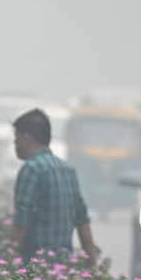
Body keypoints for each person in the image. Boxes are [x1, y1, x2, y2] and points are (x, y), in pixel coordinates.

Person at [12, 108, 98, 266]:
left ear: (26, 138)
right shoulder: (67, 169)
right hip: (62, 268)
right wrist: (93, 265)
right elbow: (83, 223)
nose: (15, 145)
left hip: (35, 265)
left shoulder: (31, 169)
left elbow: (21, 222)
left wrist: (7, 259)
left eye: (16, 140)